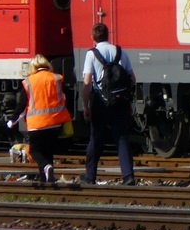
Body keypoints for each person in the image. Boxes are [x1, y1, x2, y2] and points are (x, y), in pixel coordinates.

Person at [81, 22, 137, 185]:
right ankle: (128, 176)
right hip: (120, 101)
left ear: (93, 37)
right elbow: (132, 78)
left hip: (100, 101)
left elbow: (87, 83)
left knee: (96, 138)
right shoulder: (121, 52)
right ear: (108, 35)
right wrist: (129, 99)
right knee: (122, 138)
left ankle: (90, 176)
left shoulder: (91, 54)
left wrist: (86, 106)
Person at [8, 54, 72, 185]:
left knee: (34, 150)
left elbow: (22, 105)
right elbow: (67, 98)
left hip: (37, 124)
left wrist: (12, 121)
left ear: (33, 67)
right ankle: (47, 179)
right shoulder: (57, 78)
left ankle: (45, 167)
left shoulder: (29, 82)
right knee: (48, 150)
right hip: (55, 122)